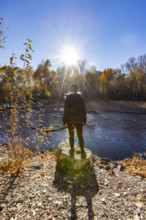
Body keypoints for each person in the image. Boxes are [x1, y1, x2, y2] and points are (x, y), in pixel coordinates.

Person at [63, 84, 86, 158]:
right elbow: (84, 110)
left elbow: (66, 111)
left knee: (71, 136)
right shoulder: (81, 98)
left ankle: (72, 150)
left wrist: (64, 120)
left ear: (70, 90)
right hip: (79, 120)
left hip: (70, 121)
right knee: (80, 136)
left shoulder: (68, 98)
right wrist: (84, 119)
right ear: (76, 90)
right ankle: (82, 151)